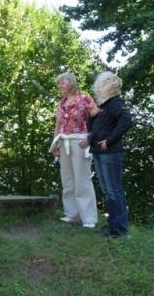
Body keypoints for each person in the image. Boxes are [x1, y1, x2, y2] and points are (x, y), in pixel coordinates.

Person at [49, 72, 99, 228]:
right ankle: (72, 215)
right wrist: (54, 144)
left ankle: (89, 219)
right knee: (68, 180)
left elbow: (97, 118)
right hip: (63, 142)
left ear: (71, 83)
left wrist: (90, 137)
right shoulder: (61, 103)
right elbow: (58, 125)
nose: (60, 86)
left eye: (62, 83)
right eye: (59, 83)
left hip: (80, 142)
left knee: (82, 180)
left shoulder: (85, 99)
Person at [87, 71, 132, 238]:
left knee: (114, 191)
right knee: (107, 191)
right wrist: (92, 116)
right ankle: (112, 226)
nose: (97, 89)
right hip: (99, 152)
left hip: (110, 153)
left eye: (100, 86)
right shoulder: (105, 105)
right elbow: (93, 128)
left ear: (108, 87)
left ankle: (120, 230)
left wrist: (110, 140)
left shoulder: (116, 104)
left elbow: (126, 120)